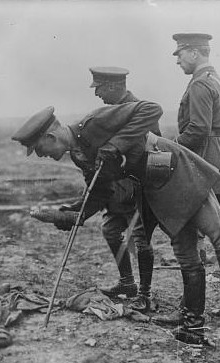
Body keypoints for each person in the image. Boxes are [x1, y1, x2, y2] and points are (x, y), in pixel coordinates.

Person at [11, 101, 220, 346]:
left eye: (40, 149)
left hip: (177, 171)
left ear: (50, 135)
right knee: (185, 254)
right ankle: (193, 326)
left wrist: (115, 144)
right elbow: (99, 192)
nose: (43, 155)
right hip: (156, 187)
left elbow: (151, 110)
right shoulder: (79, 154)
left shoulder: (95, 122)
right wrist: (64, 215)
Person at [169, 33, 220, 320]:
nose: (177, 59)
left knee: (194, 233)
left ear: (194, 53)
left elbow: (198, 130)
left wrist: (174, 148)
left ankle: (191, 307)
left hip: (206, 163)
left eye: (180, 53)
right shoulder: (215, 79)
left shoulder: (200, 84)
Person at [74, 66, 157, 314]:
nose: (97, 94)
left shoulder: (138, 109)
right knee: (110, 230)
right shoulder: (108, 112)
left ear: (112, 86)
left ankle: (144, 294)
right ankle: (127, 283)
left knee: (141, 240)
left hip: (138, 188)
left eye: (99, 88)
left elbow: (153, 146)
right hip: (115, 190)